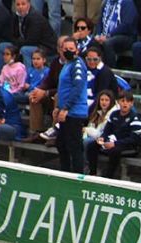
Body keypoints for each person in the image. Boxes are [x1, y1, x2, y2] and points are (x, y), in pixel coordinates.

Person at [85, 90, 141, 178]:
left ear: (131, 103)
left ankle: (109, 177)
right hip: (112, 141)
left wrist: (115, 143)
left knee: (114, 150)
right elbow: (107, 131)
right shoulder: (114, 114)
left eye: (127, 101)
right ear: (118, 102)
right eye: (122, 101)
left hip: (128, 145)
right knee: (92, 145)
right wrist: (102, 138)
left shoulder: (134, 118)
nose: (125, 104)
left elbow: (134, 139)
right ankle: (93, 173)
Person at [55, 37, 89, 173]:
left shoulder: (77, 65)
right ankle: (65, 172)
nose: (68, 51)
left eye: (71, 49)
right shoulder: (67, 64)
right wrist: (58, 107)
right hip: (66, 110)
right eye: (65, 49)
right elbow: (63, 88)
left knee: (74, 146)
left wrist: (66, 108)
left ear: (77, 50)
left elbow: (77, 87)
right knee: (61, 144)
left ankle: (77, 176)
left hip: (74, 112)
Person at [0, 0, 55, 75]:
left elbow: (32, 40)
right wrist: (16, 43)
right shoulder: (15, 16)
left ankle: (27, 77)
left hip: (44, 46)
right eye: (18, 4)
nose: (20, 7)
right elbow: (11, 35)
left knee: (25, 50)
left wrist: (16, 44)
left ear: (29, 4)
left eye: (23, 4)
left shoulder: (35, 17)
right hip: (22, 43)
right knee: (2, 46)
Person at [94, 0, 138, 68]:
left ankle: (110, 70)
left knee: (108, 43)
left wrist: (109, 35)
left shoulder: (128, 3)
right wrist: (98, 35)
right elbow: (100, 21)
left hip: (126, 36)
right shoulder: (106, 2)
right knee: (92, 41)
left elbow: (126, 25)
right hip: (106, 35)